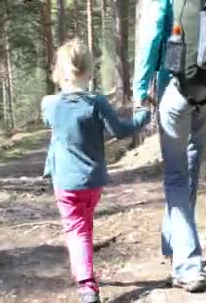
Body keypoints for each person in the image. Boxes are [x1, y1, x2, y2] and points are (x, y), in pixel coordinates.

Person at [133, 0, 206, 293]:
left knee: (176, 176)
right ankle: (173, 247)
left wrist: (140, 86)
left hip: (177, 83)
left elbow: (152, 27)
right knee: (190, 165)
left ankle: (189, 266)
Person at [42, 38, 151, 303]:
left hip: (65, 180)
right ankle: (84, 270)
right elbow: (120, 131)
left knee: (76, 228)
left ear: (59, 72)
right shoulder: (97, 102)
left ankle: (87, 285)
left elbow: (55, 124)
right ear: (90, 71)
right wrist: (143, 117)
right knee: (84, 225)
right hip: (92, 180)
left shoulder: (49, 103)